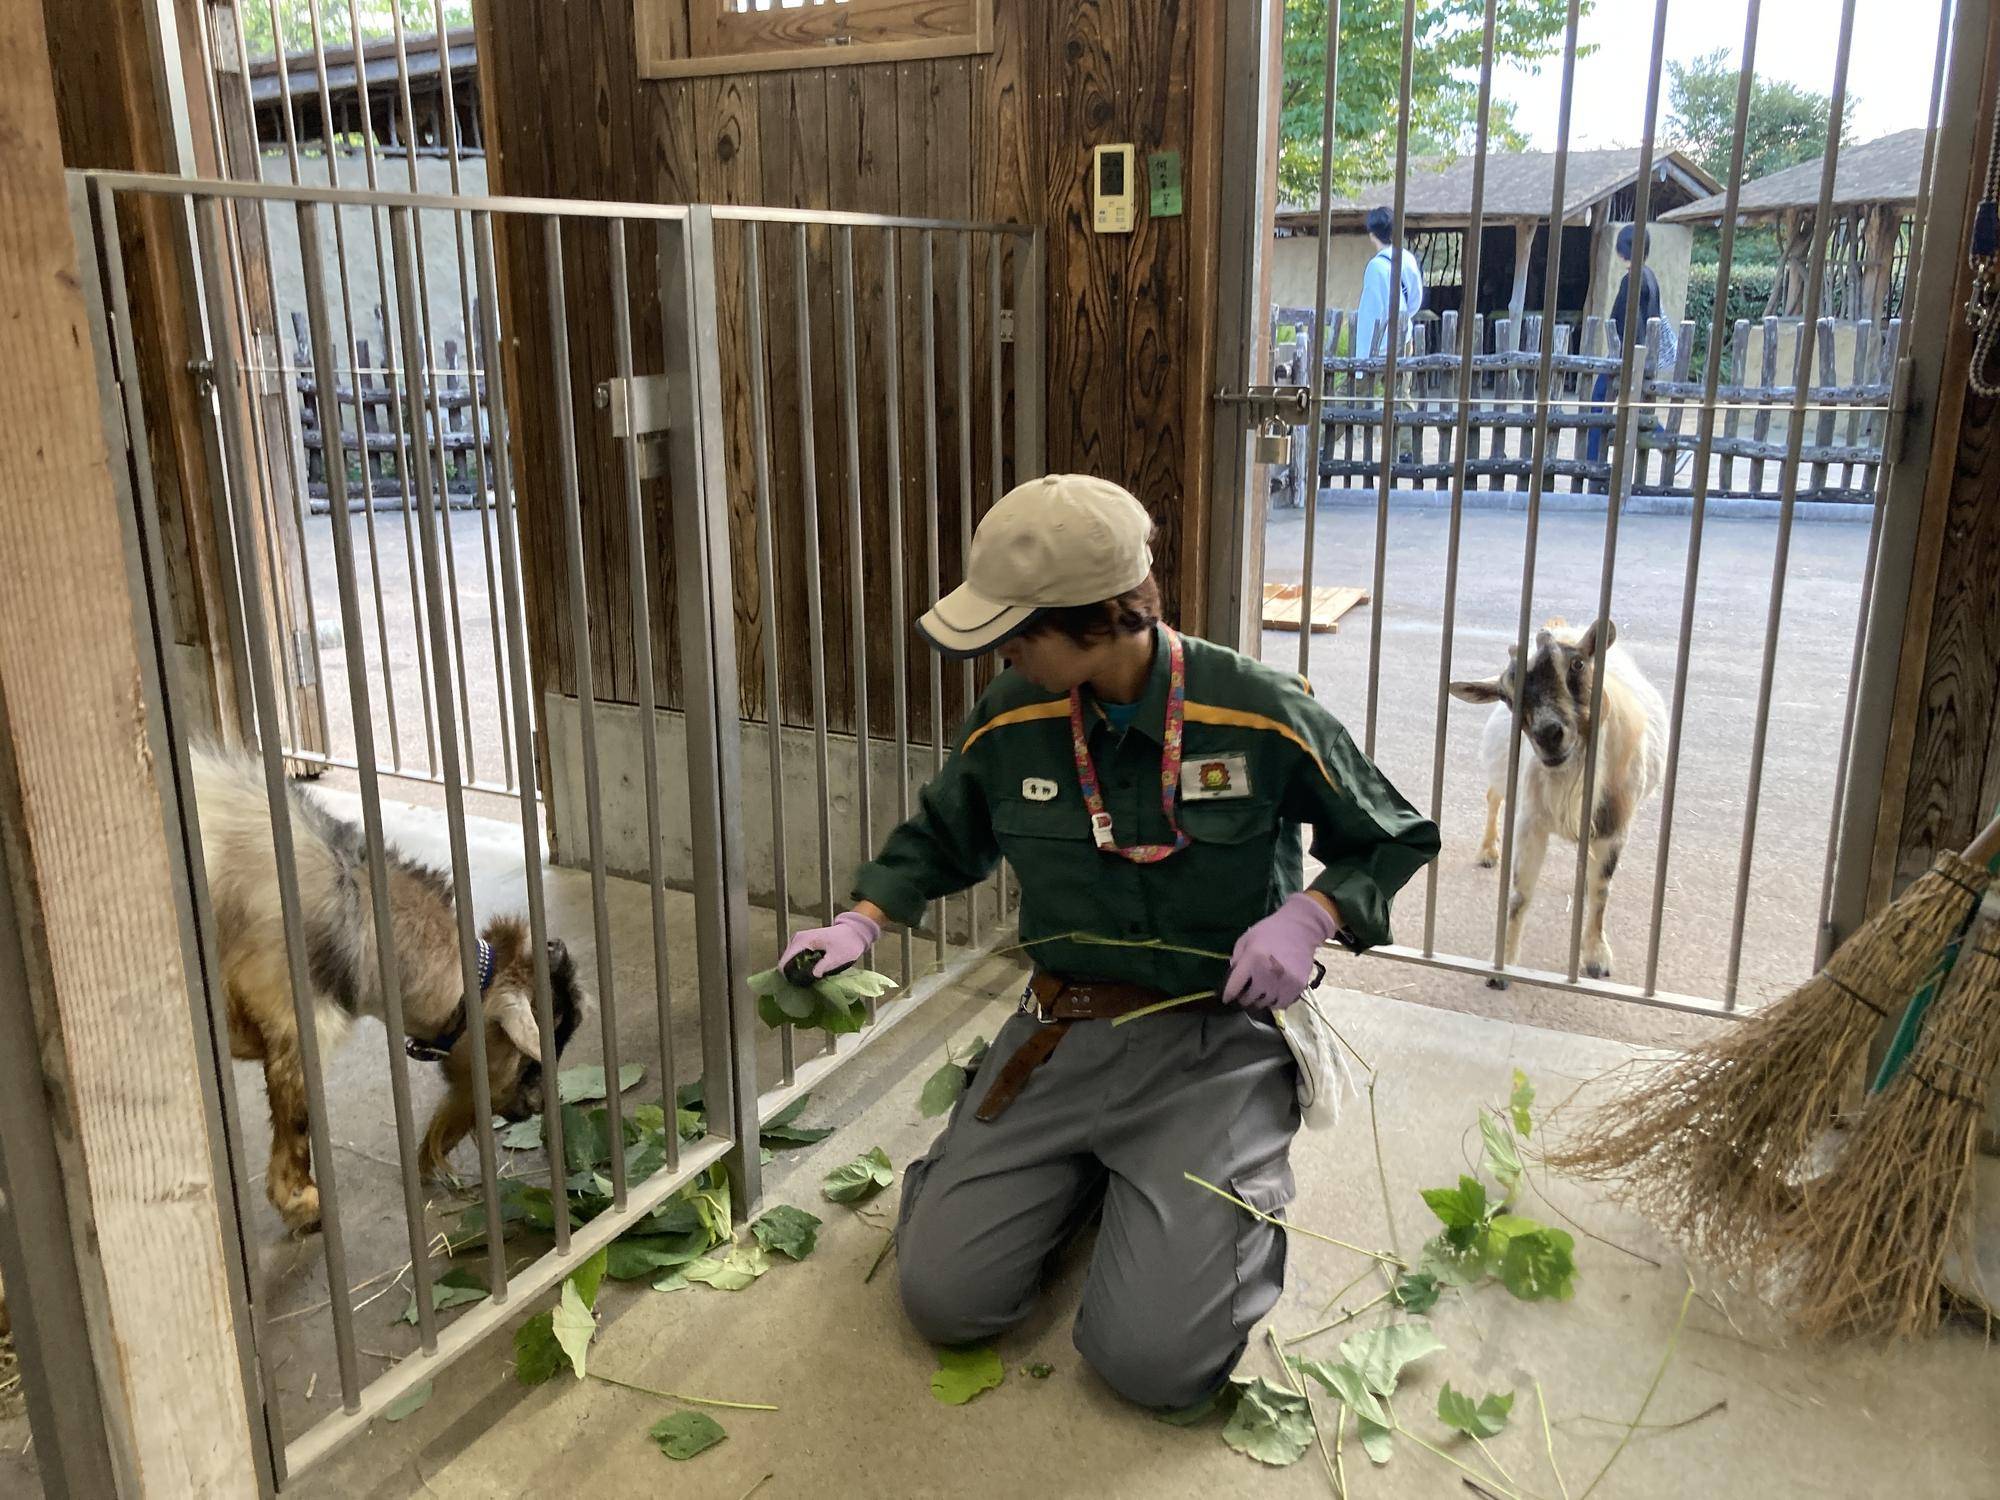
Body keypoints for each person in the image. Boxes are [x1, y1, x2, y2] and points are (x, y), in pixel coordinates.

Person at [778, 474, 1440, 1411]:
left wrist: (1313, 914)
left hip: (1214, 1041)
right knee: (945, 1303)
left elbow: (1394, 832)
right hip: (1064, 1028)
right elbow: (940, 836)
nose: (1003, 652)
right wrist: (862, 920)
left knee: (1151, 1368)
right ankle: (1071, 1178)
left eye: (1020, 631)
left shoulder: (1256, 709)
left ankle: (1212, 1185)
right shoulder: (1014, 716)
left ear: (1101, 619)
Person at [1584, 223, 1673, 468]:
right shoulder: (1650, 277)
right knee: (1636, 409)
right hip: (1642, 354)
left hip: (1626, 356)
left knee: (1599, 404)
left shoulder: (1632, 280)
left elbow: (1625, 320)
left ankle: (1592, 460)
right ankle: (1667, 441)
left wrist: (1621, 354)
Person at [1353, 205, 1424, 360]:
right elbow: (1415, 299)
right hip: (1403, 335)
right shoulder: (1408, 259)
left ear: (1372, 235)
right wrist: (1403, 315)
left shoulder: (1374, 267)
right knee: (1402, 384)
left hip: (1377, 344)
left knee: (1368, 384)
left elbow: (1371, 308)